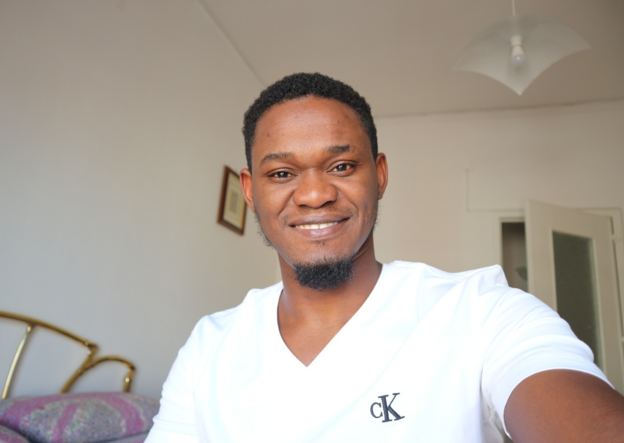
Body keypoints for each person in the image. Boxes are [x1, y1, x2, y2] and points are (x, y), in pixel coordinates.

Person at [146, 73, 624, 442]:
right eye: (282, 172)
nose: (313, 194)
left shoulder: (484, 312)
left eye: (341, 166)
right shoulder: (210, 347)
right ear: (251, 191)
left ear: (379, 175)